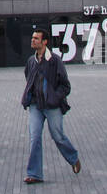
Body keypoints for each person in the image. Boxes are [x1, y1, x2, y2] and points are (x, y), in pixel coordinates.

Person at [21, 29, 81, 183]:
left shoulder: (54, 61)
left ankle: (73, 158)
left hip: (52, 106)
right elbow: (28, 78)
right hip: (35, 105)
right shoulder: (30, 61)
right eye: (32, 38)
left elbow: (65, 86)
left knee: (58, 136)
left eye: (36, 38)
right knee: (34, 138)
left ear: (45, 41)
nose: (32, 40)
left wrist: (54, 97)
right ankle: (34, 174)